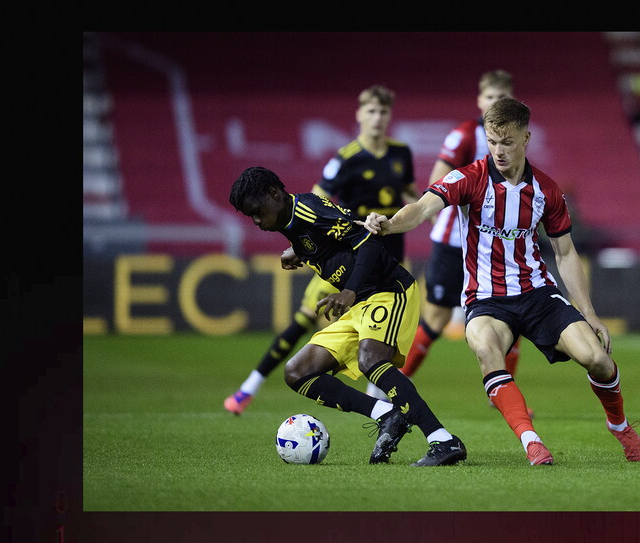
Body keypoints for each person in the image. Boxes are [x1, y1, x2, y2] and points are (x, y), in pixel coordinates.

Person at [362, 98, 640, 465]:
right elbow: (421, 208)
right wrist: (388, 223)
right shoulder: (470, 177)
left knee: (597, 359)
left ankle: (621, 427)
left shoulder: (547, 191)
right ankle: (532, 441)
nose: (499, 150)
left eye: (508, 142)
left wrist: (589, 313)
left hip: (538, 294)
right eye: (493, 141)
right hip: (485, 300)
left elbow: (564, 254)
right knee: (486, 349)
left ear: (526, 138)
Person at [229, 166, 466, 466]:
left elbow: (366, 242)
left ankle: (443, 440)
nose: (257, 221)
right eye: (251, 216)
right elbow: (334, 235)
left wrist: (349, 291)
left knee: (372, 360)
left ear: (274, 194)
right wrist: (299, 251)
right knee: (297, 372)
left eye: (258, 211)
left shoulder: (308, 209)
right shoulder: (292, 221)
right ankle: (387, 415)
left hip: (387, 290)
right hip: (360, 304)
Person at [224, 85, 417, 413]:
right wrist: (305, 246)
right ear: (359, 115)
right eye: (371, 111)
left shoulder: (401, 154)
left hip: (383, 254)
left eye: (383, 112)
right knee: (303, 320)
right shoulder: (344, 158)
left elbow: (411, 197)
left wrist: (420, 215)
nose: (378, 118)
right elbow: (310, 206)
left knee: (378, 334)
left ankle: (379, 405)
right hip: (340, 255)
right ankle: (249, 388)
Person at [402, 70, 526, 414]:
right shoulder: (464, 135)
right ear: (479, 100)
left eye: (502, 97)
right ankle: (395, 383)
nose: (495, 103)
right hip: (454, 244)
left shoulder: (515, 139)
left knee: (513, 316)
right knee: (437, 318)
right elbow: (435, 182)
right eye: (489, 97)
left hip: (496, 245)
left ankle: (499, 396)